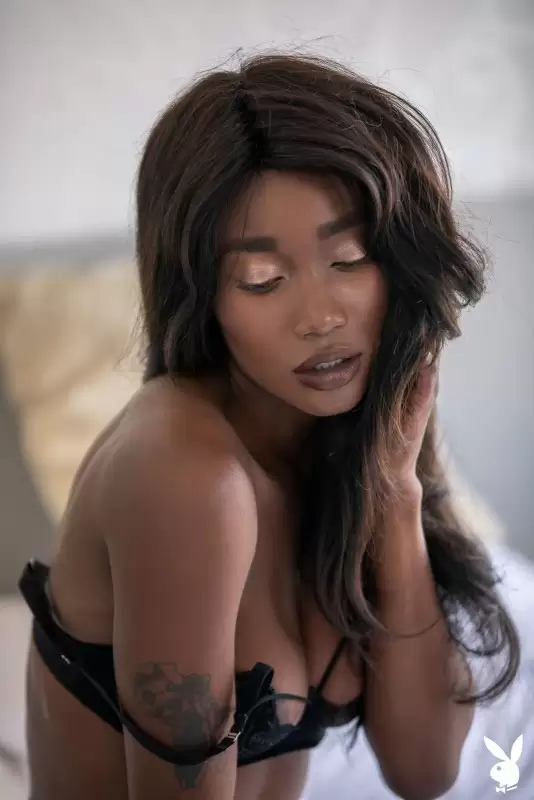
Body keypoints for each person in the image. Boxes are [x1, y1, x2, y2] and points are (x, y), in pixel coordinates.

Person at [19, 52, 520, 800]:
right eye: (263, 280)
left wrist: (396, 494)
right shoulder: (185, 477)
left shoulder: (353, 435)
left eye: (349, 259)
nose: (320, 317)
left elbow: (425, 771)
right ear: (204, 295)